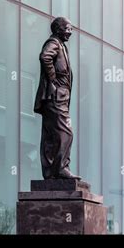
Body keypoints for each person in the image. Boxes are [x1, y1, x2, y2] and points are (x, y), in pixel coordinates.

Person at [34, 17, 81, 180]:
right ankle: (61, 168)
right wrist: (53, 78)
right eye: (68, 28)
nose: (70, 32)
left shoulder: (60, 45)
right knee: (65, 132)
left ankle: (49, 171)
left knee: (50, 134)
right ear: (58, 29)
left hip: (58, 95)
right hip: (55, 95)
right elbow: (45, 56)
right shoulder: (54, 43)